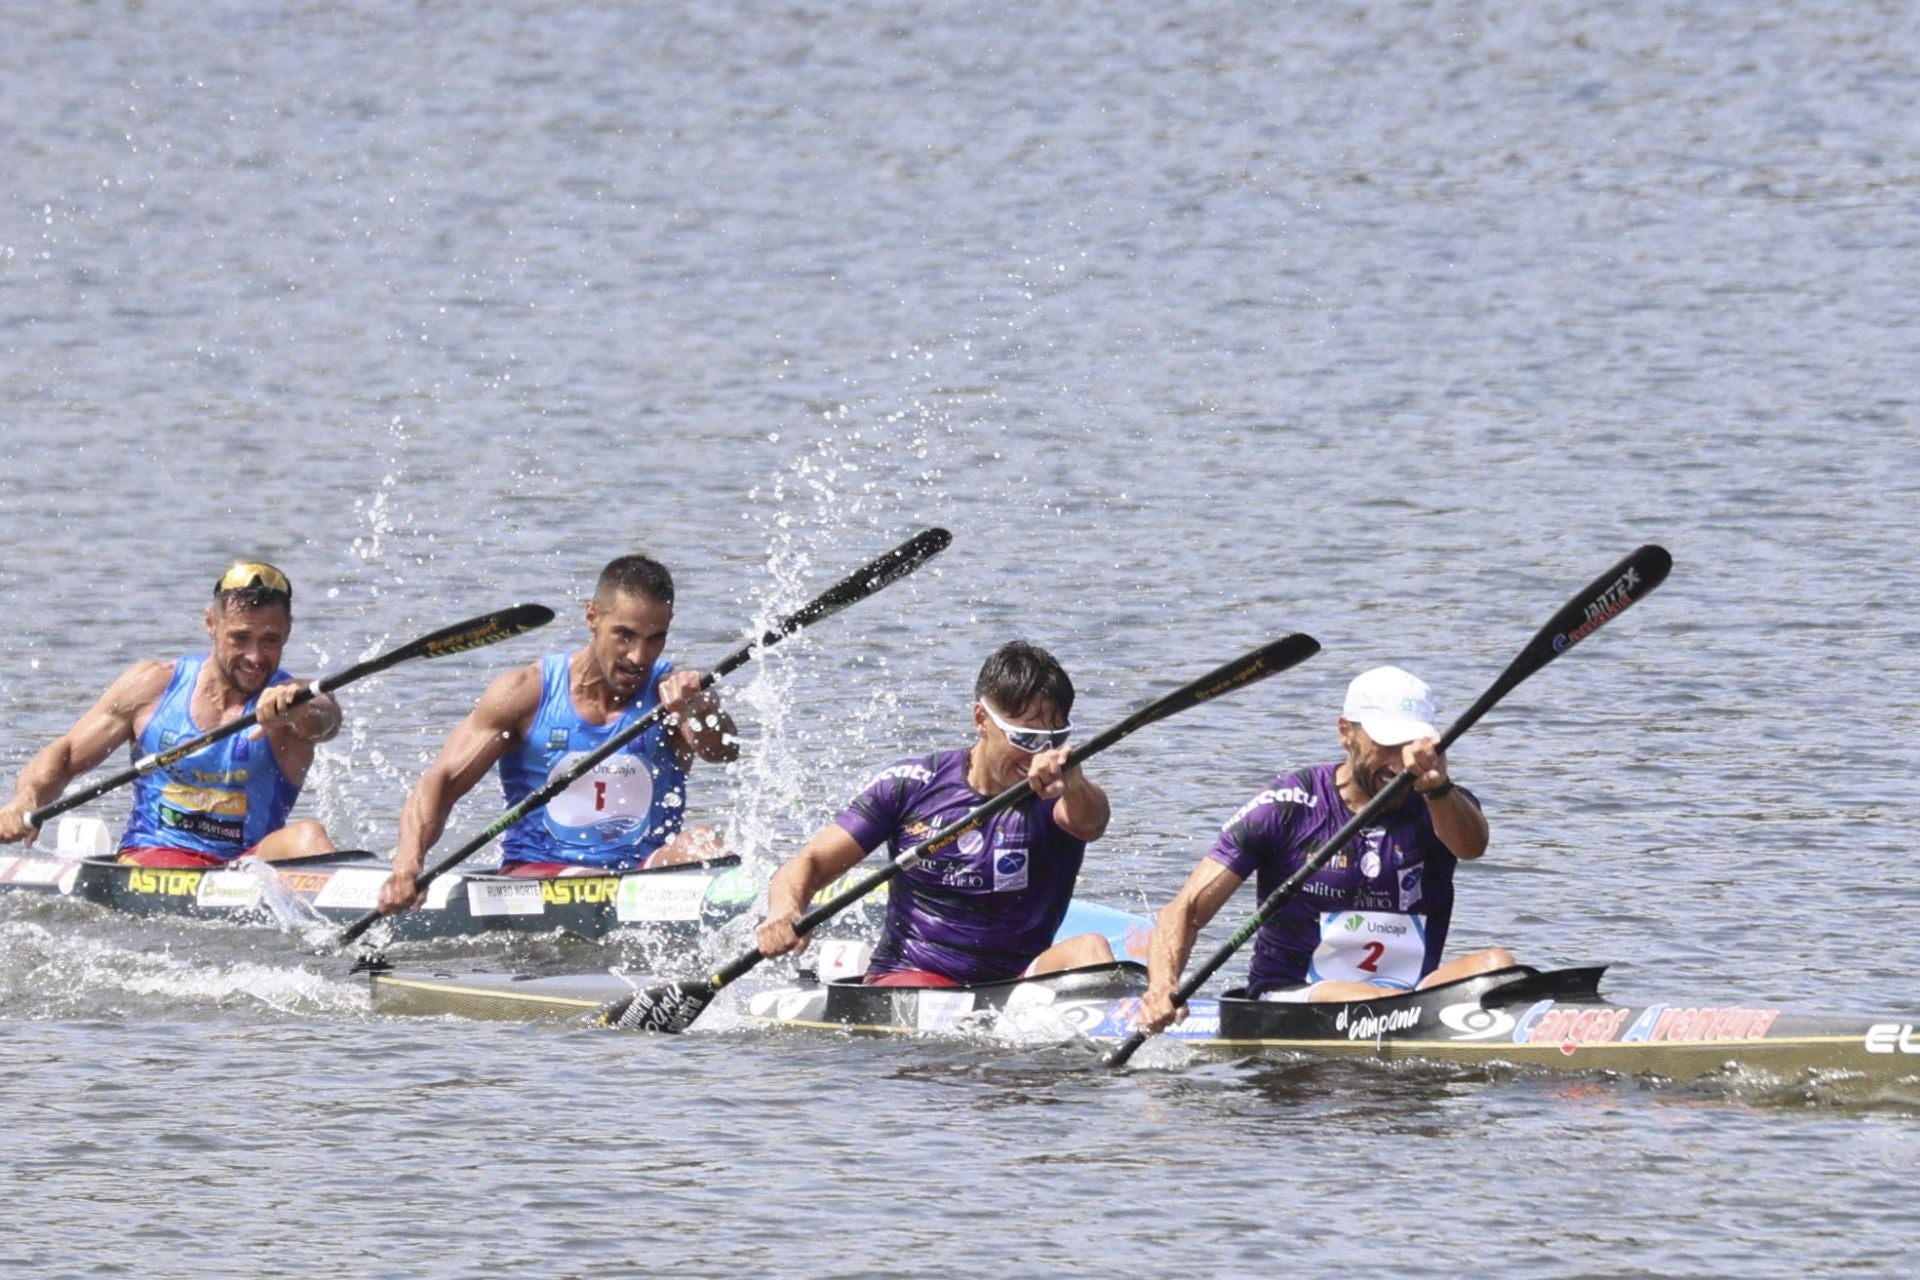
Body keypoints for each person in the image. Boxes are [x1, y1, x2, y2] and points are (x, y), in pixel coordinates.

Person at [1137, 665, 1513, 1031]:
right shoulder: (1288, 804)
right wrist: (1162, 986)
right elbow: (1185, 910)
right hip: (1292, 997)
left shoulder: (1441, 800)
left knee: (1498, 965)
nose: (1400, 762)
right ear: (1346, 732)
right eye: (1386, 744)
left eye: (1411, 745)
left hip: (1408, 999)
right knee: (1358, 995)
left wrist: (1436, 787)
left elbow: (1471, 847)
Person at [377, 553, 737, 914]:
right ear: (592, 616)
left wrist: (704, 709)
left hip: (646, 875)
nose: (639, 657)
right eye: (625, 635)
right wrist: (408, 865)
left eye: (655, 638)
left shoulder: (673, 695)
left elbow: (724, 753)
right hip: (538, 876)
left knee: (703, 841)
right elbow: (442, 781)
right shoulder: (526, 693)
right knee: (592, 882)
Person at [755, 640, 1113, 987]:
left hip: (1016, 983)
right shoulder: (911, 785)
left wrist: (1076, 782)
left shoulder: (1059, 791)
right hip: (913, 974)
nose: (1041, 752)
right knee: (933, 994)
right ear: (981, 720)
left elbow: (1091, 823)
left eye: (1054, 737)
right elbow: (812, 861)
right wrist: (785, 911)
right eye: (1026, 737)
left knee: (1091, 950)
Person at [0, 561, 342, 866]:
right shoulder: (153, 686)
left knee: (309, 835)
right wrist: (26, 799)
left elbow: (326, 719)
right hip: (157, 855)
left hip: (250, 865)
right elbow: (66, 755)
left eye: (270, 641)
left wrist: (298, 709)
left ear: (288, 633)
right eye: (240, 638)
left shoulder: (294, 699)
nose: (255, 656)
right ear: (211, 623)